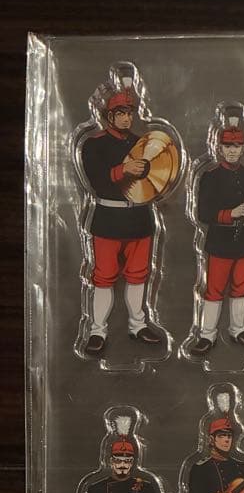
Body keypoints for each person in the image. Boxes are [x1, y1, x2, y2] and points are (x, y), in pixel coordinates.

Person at [79, 76, 166, 354]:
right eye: (121, 113)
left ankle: (138, 325)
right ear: (109, 116)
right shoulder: (94, 144)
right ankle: (97, 330)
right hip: (108, 218)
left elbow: (156, 180)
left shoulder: (142, 143)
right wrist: (123, 170)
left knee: (139, 275)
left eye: (129, 113)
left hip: (139, 219)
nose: (127, 118)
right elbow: (96, 182)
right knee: (103, 276)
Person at [191, 114, 244, 355]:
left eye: (237, 146)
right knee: (214, 289)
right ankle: (207, 334)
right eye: (228, 146)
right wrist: (230, 214)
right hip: (220, 240)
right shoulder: (210, 176)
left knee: (241, 287)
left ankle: (238, 329)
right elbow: (203, 213)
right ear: (219, 147)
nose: (232, 151)